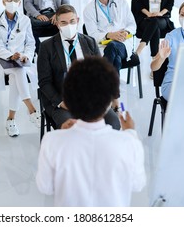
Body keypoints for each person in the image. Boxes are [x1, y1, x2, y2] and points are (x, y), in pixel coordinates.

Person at [36, 57, 146, 206]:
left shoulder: (51, 141)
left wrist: (60, 135)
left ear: (68, 100)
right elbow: (137, 184)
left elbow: (45, 187)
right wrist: (131, 133)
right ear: (109, 103)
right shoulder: (129, 143)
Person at [37, 4, 120, 130]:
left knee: (113, 122)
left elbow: (101, 75)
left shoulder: (90, 42)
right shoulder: (46, 47)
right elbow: (44, 82)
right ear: (57, 24)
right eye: (63, 23)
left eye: (72, 21)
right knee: (72, 128)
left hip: (90, 98)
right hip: (62, 99)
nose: (68, 25)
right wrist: (61, 102)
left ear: (78, 21)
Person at [0, 0, 41, 137]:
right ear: (3, 1)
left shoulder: (25, 20)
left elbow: (31, 43)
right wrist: (11, 56)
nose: (11, 2)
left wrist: (25, 56)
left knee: (17, 74)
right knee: (19, 71)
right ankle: (32, 110)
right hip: (1, 59)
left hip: (21, 59)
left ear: (19, 2)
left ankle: (11, 119)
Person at [83, 0, 137, 73]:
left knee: (112, 47)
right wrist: (109, 35)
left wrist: (126, 32)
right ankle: (111, 87)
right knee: (116, 59)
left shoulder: (121, 2)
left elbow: (132, 25)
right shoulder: (88, 9)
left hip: (123, 43)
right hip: (103, 45)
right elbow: (92, 35)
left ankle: (103, 81)